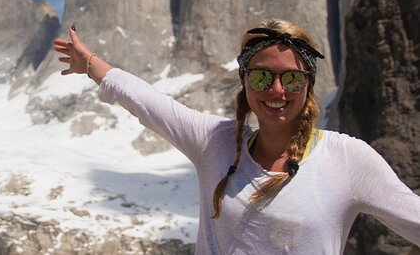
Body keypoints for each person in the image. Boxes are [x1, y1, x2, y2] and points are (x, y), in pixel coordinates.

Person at [53, 19, 420, 254]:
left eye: (291, 79)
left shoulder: (346, 158)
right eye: (261, 77)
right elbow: (149, 102)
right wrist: (91, 65)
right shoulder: (214, 142)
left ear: (308, 86)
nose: (277, 90)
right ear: (244, 84)